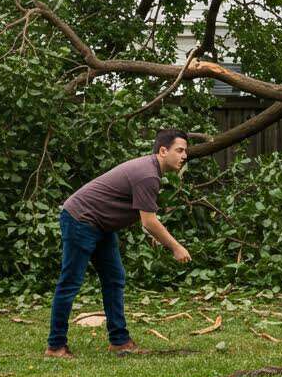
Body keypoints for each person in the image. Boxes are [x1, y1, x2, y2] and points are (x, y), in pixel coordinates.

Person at [44, 128, 193, 358]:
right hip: (80, 219)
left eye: (186, 151)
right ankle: (55, 346)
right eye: (180, 150)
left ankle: (120, 341)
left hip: (100, 225)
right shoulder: (148, 175)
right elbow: (149, 220)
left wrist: (153, 234)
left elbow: (135, 211)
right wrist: (175, 246)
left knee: (114, 279)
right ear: (163, 151)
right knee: (70, 282)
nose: (184, 156)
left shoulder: (151, 171)